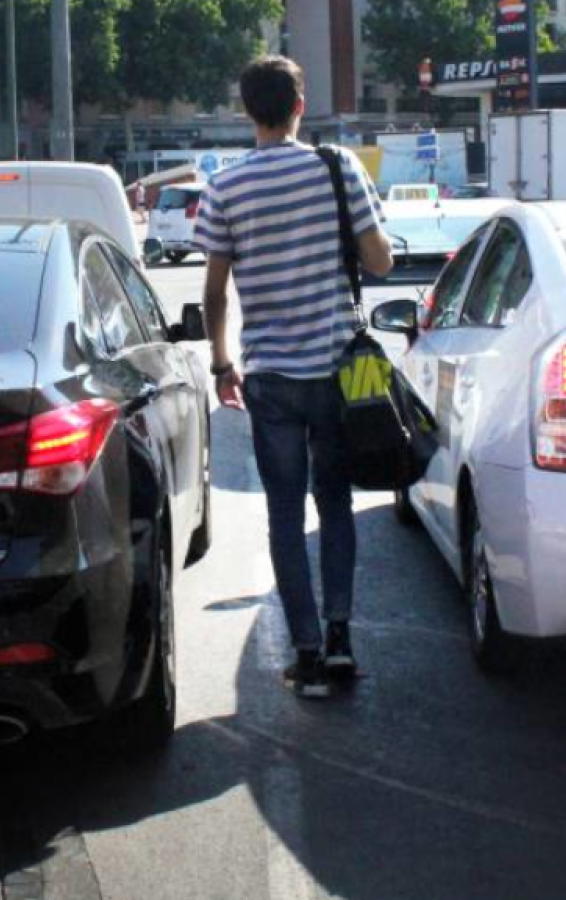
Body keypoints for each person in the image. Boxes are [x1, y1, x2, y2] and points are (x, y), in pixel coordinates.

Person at [195, 55, 393, 699]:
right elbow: (381, 262)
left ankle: (304, 650)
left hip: (271, 377)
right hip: (336, 371)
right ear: (300, 106)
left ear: (246, 110)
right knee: (333, 504)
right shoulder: (338, 168)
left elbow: (215, 292)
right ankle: (340, 640)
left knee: (283, 513)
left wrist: (222, 363)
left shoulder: (225, 187)